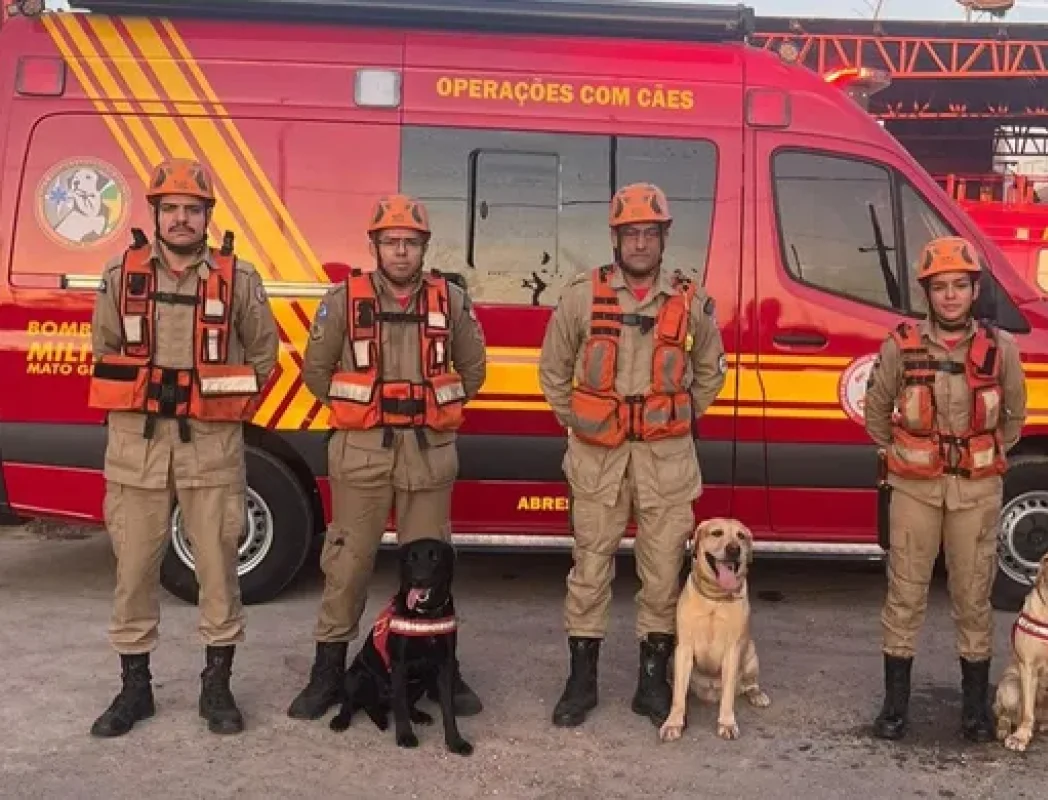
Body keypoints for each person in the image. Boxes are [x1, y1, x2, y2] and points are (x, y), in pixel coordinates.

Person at [86, 157, 280, 737]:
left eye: (191, 209)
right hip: (137, 446)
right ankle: (134, 688)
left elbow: (263, 357)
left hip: (211, 447)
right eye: (170, 208)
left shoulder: (237, 279)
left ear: (206, 217)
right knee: (134, 568)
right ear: (155, 215)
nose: (180, 219)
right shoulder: (121, 276)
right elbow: (105, 347)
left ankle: (216, 686)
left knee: (219, 568)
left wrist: (220, 404)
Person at [287, 194, 488, 722]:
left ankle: (445, 667)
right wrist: (362, 410)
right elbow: (316, 372)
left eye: (411, 243)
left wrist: (431, 408)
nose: (401, 252)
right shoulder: (342, 300)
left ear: (424, 247)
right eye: (391, 242)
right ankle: (328, 671)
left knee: (433, 571)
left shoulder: (453, 302)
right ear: (374, 245)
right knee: (347, 566)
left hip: (428, 456)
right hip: (362, 454)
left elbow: (473, 372)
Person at [538, 182, 727, 729]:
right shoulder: (581, 296)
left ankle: (652, 681)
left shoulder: (690, 303)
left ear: (665, 237)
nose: (640, 243)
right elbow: (553, 370)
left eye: (650, 232)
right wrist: (579, 421)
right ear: (615, 238)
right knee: (589, 569)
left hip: (666, 462)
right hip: (598, 460)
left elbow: (711, 370)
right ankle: (581, 681)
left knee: (663, 573)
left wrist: (681, 416)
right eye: (630, 233)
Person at [863, 235, 1028, 743]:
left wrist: (973, 458)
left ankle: (975, 711)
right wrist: (909, 453)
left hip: (975, 493)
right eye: (941, 287)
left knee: (973, 596)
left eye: (960, 285)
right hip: (915, 490)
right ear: (927, 293)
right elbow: (875, 412)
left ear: (975, 290)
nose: (951, 296)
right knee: (904, 595)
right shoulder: (902, 346)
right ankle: (895, 707)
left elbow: (1015, 419)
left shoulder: (1001, 350)